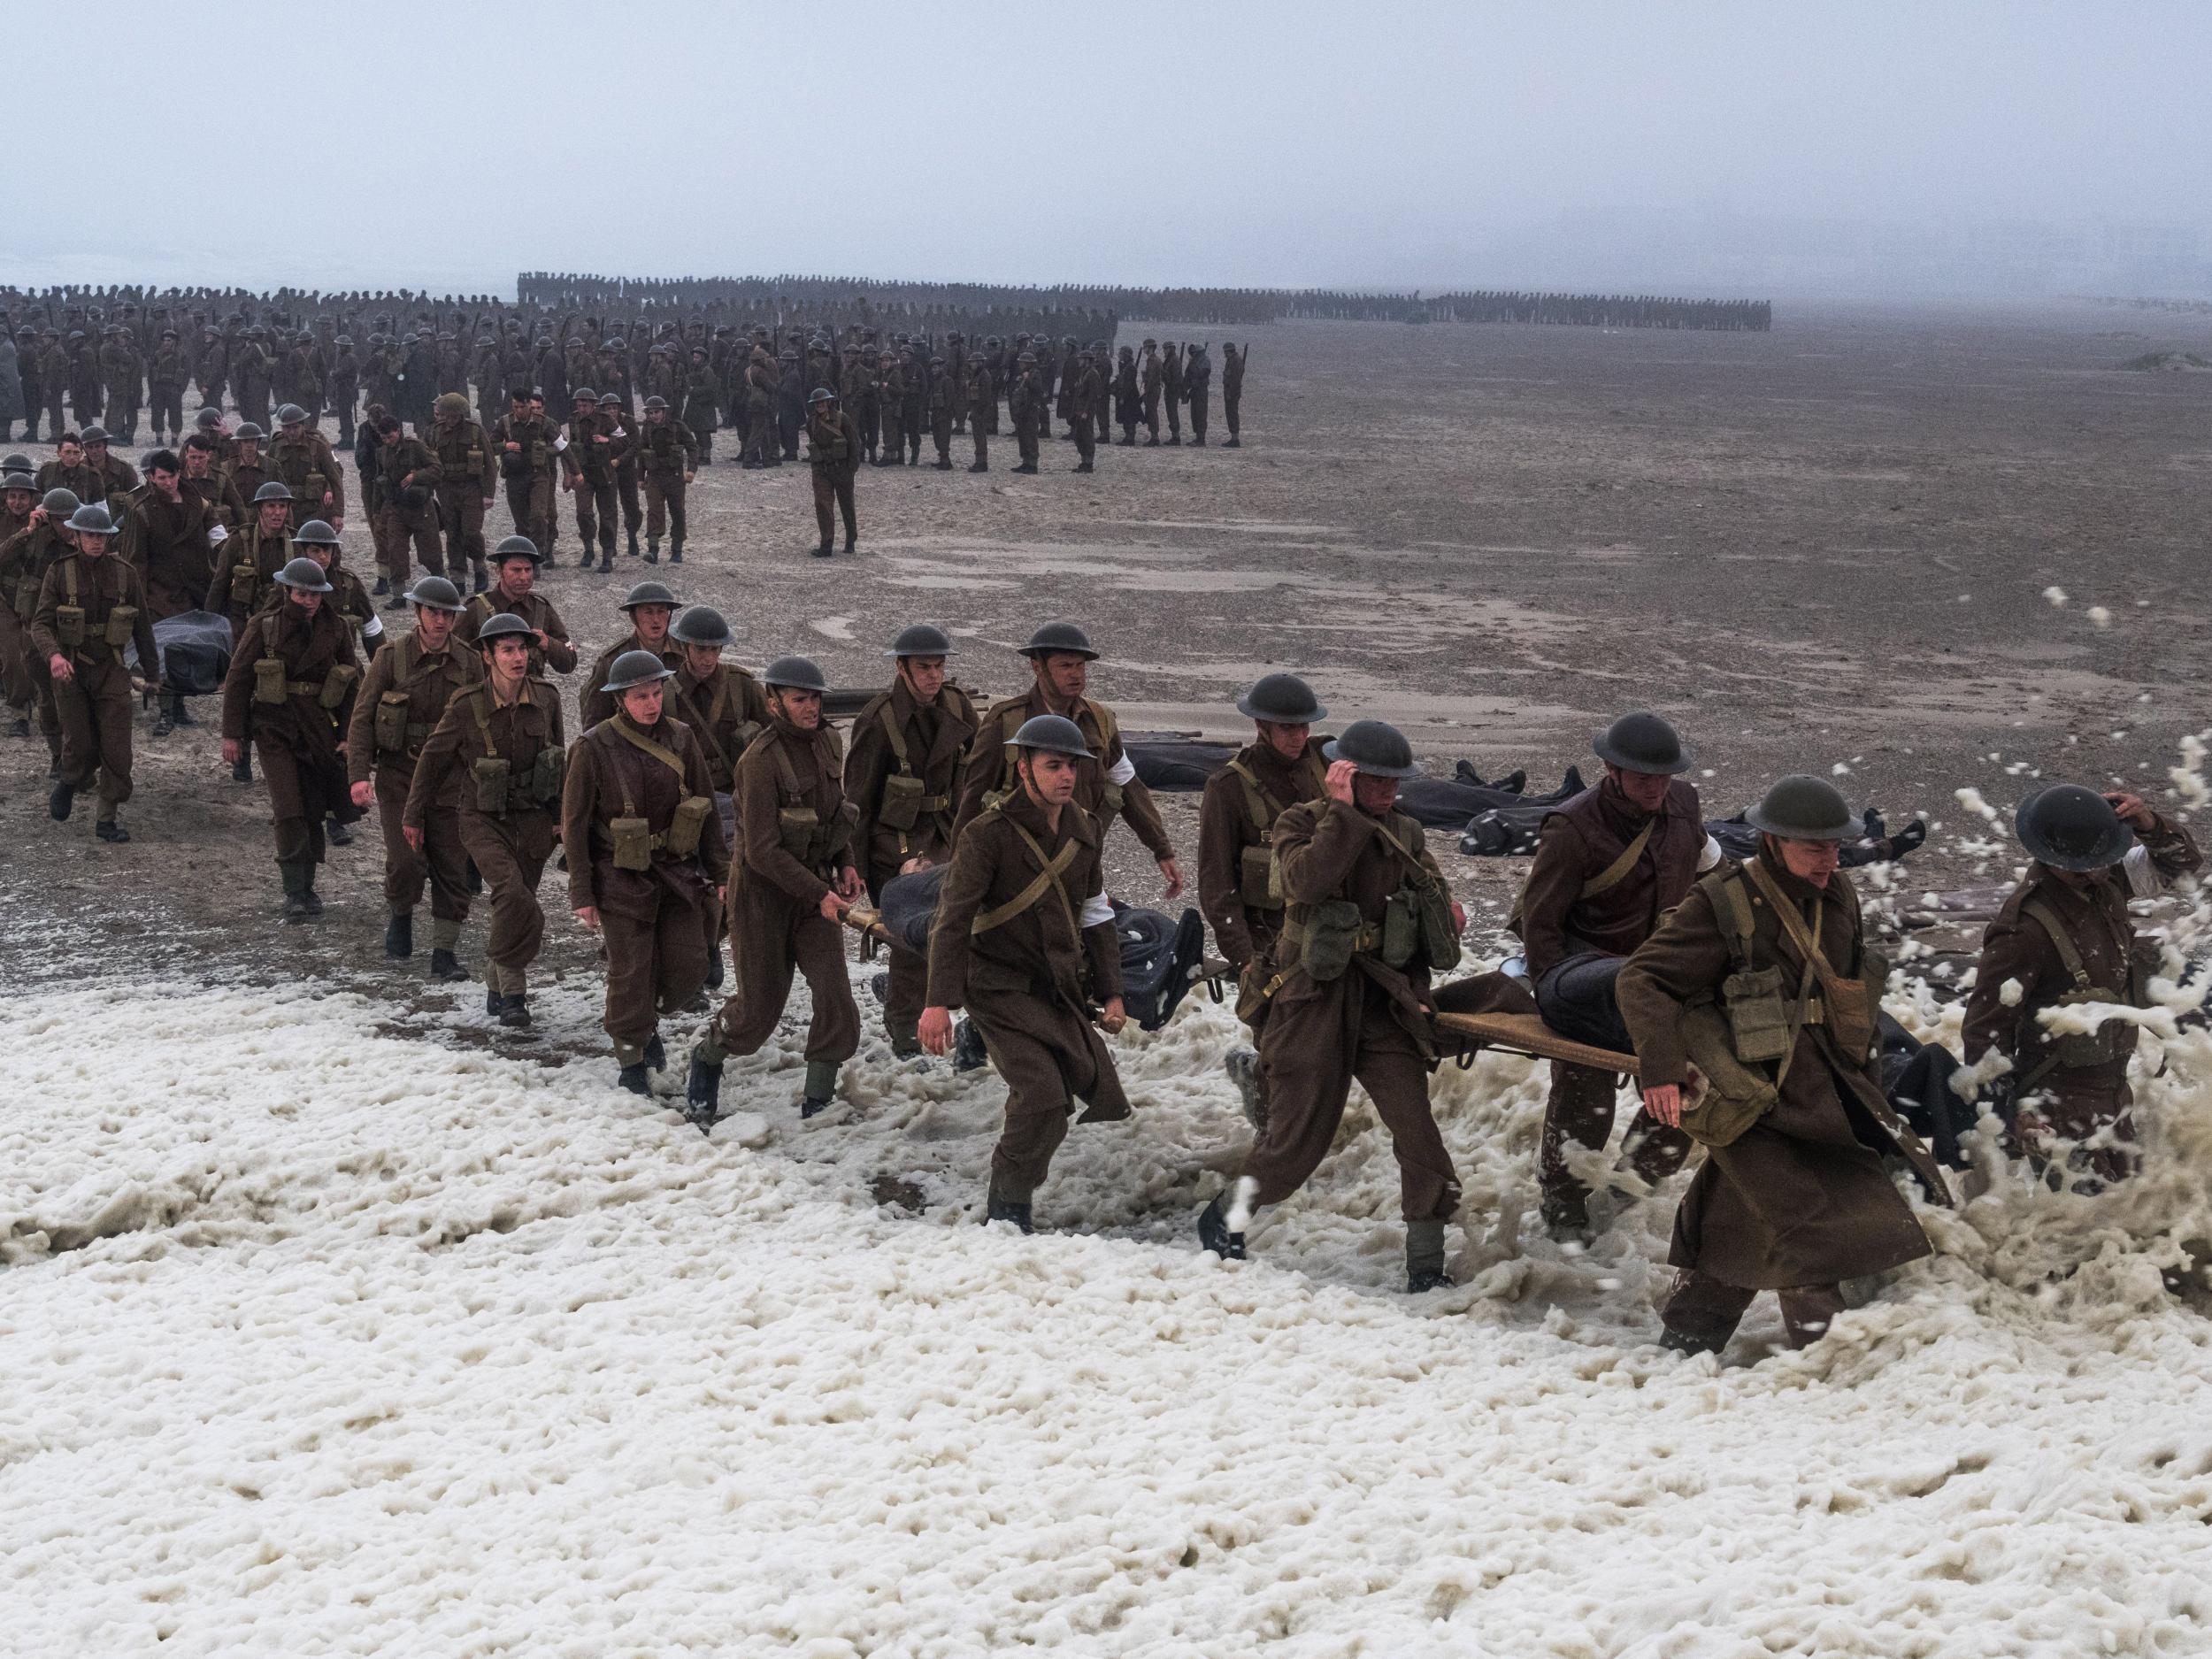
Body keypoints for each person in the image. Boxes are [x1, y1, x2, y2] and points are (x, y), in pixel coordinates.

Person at [1618, 775, 1953, 1355]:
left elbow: (1854, 999)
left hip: (1827, 1092)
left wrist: (1867, 1094)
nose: (1830, 859)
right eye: (1814, 847)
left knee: (1745, 1211)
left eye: (1835, 846)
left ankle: (1688, 1336)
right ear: (1773, 840)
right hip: (1752, 1097)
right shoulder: (1721, 901)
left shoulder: (1841, 897)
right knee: (1807, 1224)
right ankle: (1829, 1365)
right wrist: (1661, 1067)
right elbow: (1642, 978)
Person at [1198, 719, 1466, 1287]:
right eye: (1377, 781)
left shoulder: (1407, 834)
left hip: (1381, 1002)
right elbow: (1304, 884)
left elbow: (1427, 918)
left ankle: (1425, 1268)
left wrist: (1419, 988)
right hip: (1310, 998)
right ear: (1345, 774)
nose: (1390, 792)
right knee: (1295, 1141)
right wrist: (1344, 814)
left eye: (1397, 782)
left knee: (1418, 1134)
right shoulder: (1302, 823)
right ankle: (1225, 1221)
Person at [918, 714, 1131, 1229]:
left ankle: (1015, 1194)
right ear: (1023, 768)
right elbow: (952, 920)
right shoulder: (986, 835)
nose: (1066, 777)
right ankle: (1007, 1208)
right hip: (994, 985)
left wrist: (1113, 992)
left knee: (1061, 1099)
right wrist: (937, 1003)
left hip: (1054, 988)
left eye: (1072, 767)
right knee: (1040, 1095)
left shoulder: (1085, 829)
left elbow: (1096, 913)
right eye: (1053, 765)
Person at [1510, 712, 1703, 1238]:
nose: (1656, 789)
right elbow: (1541, 926)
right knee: (1584, 1100)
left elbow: (1710, 873)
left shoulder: (1684, 806)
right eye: (1643, 778)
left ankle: (1622, 1200)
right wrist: (1558, 1005)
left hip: (1659, 982)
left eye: (1664, 777)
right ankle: (1564, 1209)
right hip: (1586, 984)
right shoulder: (1572, 828)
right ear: (1610, 770)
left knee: (1692, 1084)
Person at [1962, 784, 2202, 1189]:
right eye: (2090, 866)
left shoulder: (2105, 885)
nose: (2102, 870)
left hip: (2113, 1094)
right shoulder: (2024, 929)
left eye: (2107, 860)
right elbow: (1985, 1030)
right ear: (2057, 861)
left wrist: (2149, 824)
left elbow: (2183, 867)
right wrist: (2009, 1117)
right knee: (2078, 1229)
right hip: (2055, 1105)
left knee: (2133, 1215)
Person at [683, 656, 864, 1125]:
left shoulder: (828, 742)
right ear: (774, 702)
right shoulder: (758, 761)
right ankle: (708, 1057)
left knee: (835, 997)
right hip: (762, 898)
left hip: (814, 895)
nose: (810, 707)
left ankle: (818, 1100)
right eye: (799, 699)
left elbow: (835, 813)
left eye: (816, 698)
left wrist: (845, 864)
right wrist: (819, 892)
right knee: (756, 1013)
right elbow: (761, 851)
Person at [564, 648, 730, 1094]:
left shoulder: (681, 738)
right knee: (631, 971)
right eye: (640, 696)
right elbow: (575, 825)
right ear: (621, 699)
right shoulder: (593, 747)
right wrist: (582, 892)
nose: (651, 703)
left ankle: (646, 1019)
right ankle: (631, 1057)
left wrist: (721, 872)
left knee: (690, 964)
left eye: (656, 693)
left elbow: (709, 808)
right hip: (618, 874)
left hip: (675, 870)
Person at [406, 612, 567, 1026]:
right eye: (507, 650)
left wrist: (561, 817)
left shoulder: (547, 698)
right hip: (481, 817)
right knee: (514, 896)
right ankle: (514, 995)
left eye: (523, 650)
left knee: (514, 903)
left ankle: (495, 985)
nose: (518, 658)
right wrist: (414, 815)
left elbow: (559, 759)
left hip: (533, 820)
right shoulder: (465, 706)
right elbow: (432, 761)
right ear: (487, 656)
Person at [955, 622, 1183, 902]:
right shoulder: (1006, 723)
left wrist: (1162, 849)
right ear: (1037, 667)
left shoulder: (1100, 721)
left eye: (1080, 666)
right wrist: (956, 872)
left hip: (1079, 862)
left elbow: (1128, 786)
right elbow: (972, 800)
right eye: (1065, 666)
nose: (1076, 674)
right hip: (1016, 869)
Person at [1196, 673, 1330, 1131]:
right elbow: (1216, 885)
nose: (1299, 737)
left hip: (1325, 932)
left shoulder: (1324, 767)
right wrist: (1244, 957)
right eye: (1288, 728)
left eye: (1304, 727)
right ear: (1261, 726)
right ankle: (1273, 1139)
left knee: (1326, 1043)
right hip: (1267, 942)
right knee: (1281, 1048)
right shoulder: (1228, 789)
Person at [844, 624, 980, 1056]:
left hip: (949, 833)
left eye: (939, 666)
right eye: (924, 667)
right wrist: (859, 872)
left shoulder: (959, 708)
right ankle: (904, 1033)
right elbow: (858, 802)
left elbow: (980, 777)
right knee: (912, 940)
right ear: (902, 668)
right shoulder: (879, 719)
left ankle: (975, 1023)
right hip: (896, 845)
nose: (933, 676)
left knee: (972, 926)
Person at [346, 574, 480, 974]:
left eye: (447, 614)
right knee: (405, 862)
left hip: (450, 780)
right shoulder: (391, 658)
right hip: (400, 775)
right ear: (419, 613)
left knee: (452, 867)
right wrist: (357, 774)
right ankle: (401, 914)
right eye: (432, 612)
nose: (440, 621)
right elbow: (362, 717)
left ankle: (444, 952)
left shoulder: (470, 662)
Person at [219, 556, 365, 916]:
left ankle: (308, 888)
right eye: (302, 593)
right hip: (274, 727)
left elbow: (352, 685)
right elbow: (238, 680)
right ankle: (294, 891)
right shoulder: (264, 626)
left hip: (319, 730)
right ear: (287, 591)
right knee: (288, 809)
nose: (310, 601)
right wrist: (232, 735)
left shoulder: (336, 629)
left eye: (316, 594)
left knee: (313, 809)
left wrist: (348, 736)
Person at [31, 502, 158, 843]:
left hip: (112, 669)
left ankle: (106, 820)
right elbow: (41, 625)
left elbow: (143, 629)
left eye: (102, 535)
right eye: (90, 534)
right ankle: (70, 781)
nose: (97, 541)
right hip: (71, 670)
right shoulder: (59, 573)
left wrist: (153, 675)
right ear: (75, 536)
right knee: (82, 745)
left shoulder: (124, 573)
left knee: (118, 750)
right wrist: (55, 657)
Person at [665, 604, 770, 990]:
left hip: (734, 801)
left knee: (734, 880)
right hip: (685, 807)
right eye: (700, 649)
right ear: (684, 647)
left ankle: (712, 944)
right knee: (693, 885)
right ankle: (701, 953)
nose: (707, 657)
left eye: (714, 649)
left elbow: (773, 740)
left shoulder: (743, 687)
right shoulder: (664, 691)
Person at [124, 449, 220, 737]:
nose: (168, 483)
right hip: (158, 591)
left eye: (173, 476)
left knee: (186, 647)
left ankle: (179, 706)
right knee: (162, 651)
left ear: (180, 474)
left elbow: (218, 536)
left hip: (193, 588)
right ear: (151, 478)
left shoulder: (199, 505)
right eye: (162, 478)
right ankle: (166, 712)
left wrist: (228, 560)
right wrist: (136, 598)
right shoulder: (141, 511)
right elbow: (135, 560)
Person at [3, 488, 81, 760]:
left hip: (73, 632)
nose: (65, 525)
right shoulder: (34, 539)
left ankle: (75, 754)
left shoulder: (85, 540)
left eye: (71, 518)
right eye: (59, 519)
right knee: (48, 697)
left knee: (75, 698)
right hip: (36, 630)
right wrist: (28, 530)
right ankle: (57, 754)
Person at [455, 535, 578, 679]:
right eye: (516, 570)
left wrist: (547, 643)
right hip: (487, 697)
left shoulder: (541, 609)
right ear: (499, 570)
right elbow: (453, 658)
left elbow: (570, 663)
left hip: (531, 697)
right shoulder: (476, 609)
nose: (524, 577)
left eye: (528, 569)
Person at [580, 580, 682, 729]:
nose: (656, 619)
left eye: (661, 611)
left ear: (669, 615)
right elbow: (594, 720)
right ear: (633, 617)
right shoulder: (612, 660)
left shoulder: (683, 654)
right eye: (648, 612)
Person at [428, 391, 496, 594]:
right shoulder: (434, 432)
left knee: (471, 531)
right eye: (445, 415)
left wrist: (488, 493)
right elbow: (428, 462)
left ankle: (480, 568)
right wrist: (429, 491)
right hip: (446, 488)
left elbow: (490, 463)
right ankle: (457, 576)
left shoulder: (475, 431)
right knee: (452, 533)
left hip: (471, 487)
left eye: (453, 415)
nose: (449, 419)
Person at [371, 415, 445, 594]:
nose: (388, 441)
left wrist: (416, 476)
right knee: (395, 550)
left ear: (398, 431)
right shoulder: (381, 453)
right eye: (384, 438)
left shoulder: (416, 447)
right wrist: (376, 511)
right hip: (396, 507)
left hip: (420, 506)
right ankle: (398, 593)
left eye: (390, 436)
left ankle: (442, 585)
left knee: (430, 551)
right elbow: (379, 481)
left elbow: (437, 469)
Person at [493, 388, 560, 566]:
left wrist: (575, 472)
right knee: (521, 521)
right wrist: (505, 445)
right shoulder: (505, 422)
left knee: (538, 516)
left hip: (538, 475)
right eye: (515, 406)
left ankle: (536, 556)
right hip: (515, 477)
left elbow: (562, 446)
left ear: (529, 404)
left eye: (522, 406)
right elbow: (490, 445)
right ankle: (526, 556)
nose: (519, 410)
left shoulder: (544, 423)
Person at [560, 386, 618, 572]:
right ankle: (588, 548)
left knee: (607, 516)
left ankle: (608, 556)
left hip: (604, 474)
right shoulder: (573, 420)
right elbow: (568, 449)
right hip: (583, 474)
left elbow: (625, 440)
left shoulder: (606, 420)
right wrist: (568, 473)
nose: (582, 408)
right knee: (583, 513)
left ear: (594, 405)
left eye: (585, 405)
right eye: (579, 404)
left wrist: (607, 440)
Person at [635, 396, 697, 565]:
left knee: (677, 511)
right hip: (654, 476)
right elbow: (642, 453)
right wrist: (640, 477)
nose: (653, 415)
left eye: (657, 412)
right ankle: (653, 550)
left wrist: (691, 470)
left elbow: (692, 448)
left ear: (664, 411)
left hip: (674, 476)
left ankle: (677, 550)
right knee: (654, 511)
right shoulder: (646, 428)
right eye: (650, 412)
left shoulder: (677, 426)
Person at [270, 403, 345, 532]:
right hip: (284, 510)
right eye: (287, 428)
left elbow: (335, 479)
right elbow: (266, 476)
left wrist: (337, 513)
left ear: (303, 426)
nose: (292, 432)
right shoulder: (275, 446)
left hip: (313, 510)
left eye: (295, 427)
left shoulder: (318, 446)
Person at [803, 388, 860, 558]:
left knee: (847, 506)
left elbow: (854, 445)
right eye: (817, 403)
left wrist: (852, 469)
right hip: (821, 470)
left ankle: (851, 539)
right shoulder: (811, 422)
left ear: (829, 402)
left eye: (822, 402)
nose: (820, 405)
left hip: (842, 469)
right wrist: (816, 468)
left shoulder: (843, 419)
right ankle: (826, 544)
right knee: (822, 505)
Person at [1221, 342, 1247, 447]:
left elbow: (1235, 380)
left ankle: (1235, 439)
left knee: (1232, 414)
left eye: (1225, 352)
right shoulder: (1232, 360)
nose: (1224, 354)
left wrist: (1230, 393)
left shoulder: (1235, 361)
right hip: (1230, 391)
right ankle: (1233, 437)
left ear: (1228, 351)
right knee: (1230, 414)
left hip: (1232, 392)